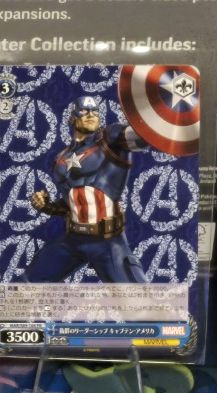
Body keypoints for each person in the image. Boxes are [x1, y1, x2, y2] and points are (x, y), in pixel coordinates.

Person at [27, 95, 147, 283]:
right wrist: (47, 206)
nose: (91, 115)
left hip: (108, 241)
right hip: (74, 239)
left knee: (137, 299)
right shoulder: (61, 157)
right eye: (84, 111)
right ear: (72, 118)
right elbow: (71, 204)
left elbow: (139, 138)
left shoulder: (110, 139)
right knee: (28, 285)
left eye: (95, 111)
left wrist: (153, 122)